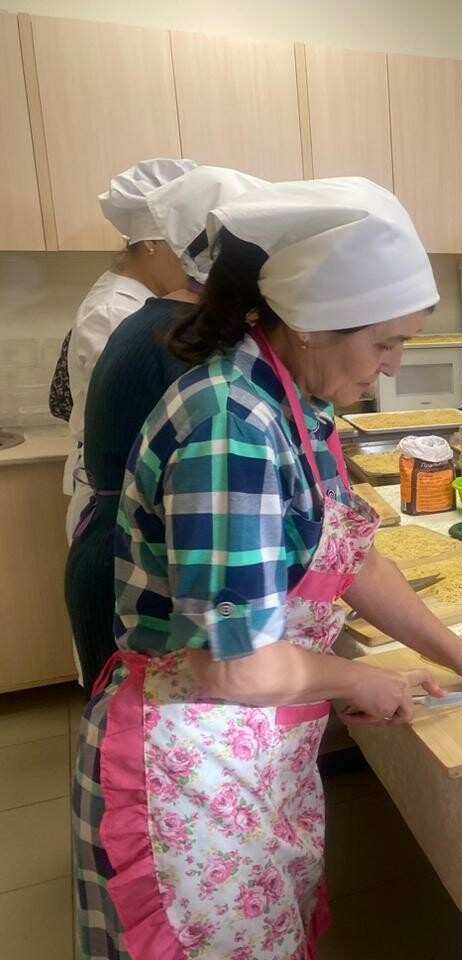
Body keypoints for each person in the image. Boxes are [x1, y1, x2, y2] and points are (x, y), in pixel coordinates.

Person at [72, 178, 462, 960]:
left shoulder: (292, 407)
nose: (389, 367)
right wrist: (360, 681)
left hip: (254, 749)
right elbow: (233, 670)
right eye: (384, 344)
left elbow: (353, 559)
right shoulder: (230, 430)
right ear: (308, 326)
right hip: (195, 761)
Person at [64, 165, 268, 690]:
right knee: (140, 732)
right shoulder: (175, 338)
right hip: (128, 559)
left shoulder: (162, 320)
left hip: (124, 542)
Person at [58, 158, 199, 541]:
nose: (195, 267)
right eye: (186, 249)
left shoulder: (143, 297)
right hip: (115, 504)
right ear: (152, 242)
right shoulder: (116, 310)